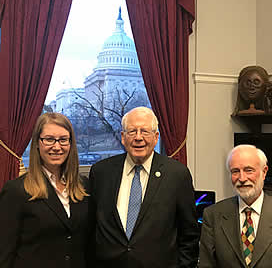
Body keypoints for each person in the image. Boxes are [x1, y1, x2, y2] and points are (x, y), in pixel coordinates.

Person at [89, 106, 200, 268]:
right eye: (132, 131)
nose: (138, 137)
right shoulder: (101, 173)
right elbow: (92, 228)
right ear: (123, 137)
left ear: (156, 137)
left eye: (145, 131)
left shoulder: (177, 174)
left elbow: (189, 234)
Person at [0, 112, 92, 268]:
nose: (57, 147)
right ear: (37, 143)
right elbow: (4, 252)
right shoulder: (15, 191)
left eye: (63, 140)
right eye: (49, 139)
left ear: (70, 144)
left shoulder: (84, 186)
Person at [198, 144, 272, 268]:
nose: (242, 178)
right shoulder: (213, 216)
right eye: (235, 171)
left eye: (248, 170)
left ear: (264, 172)